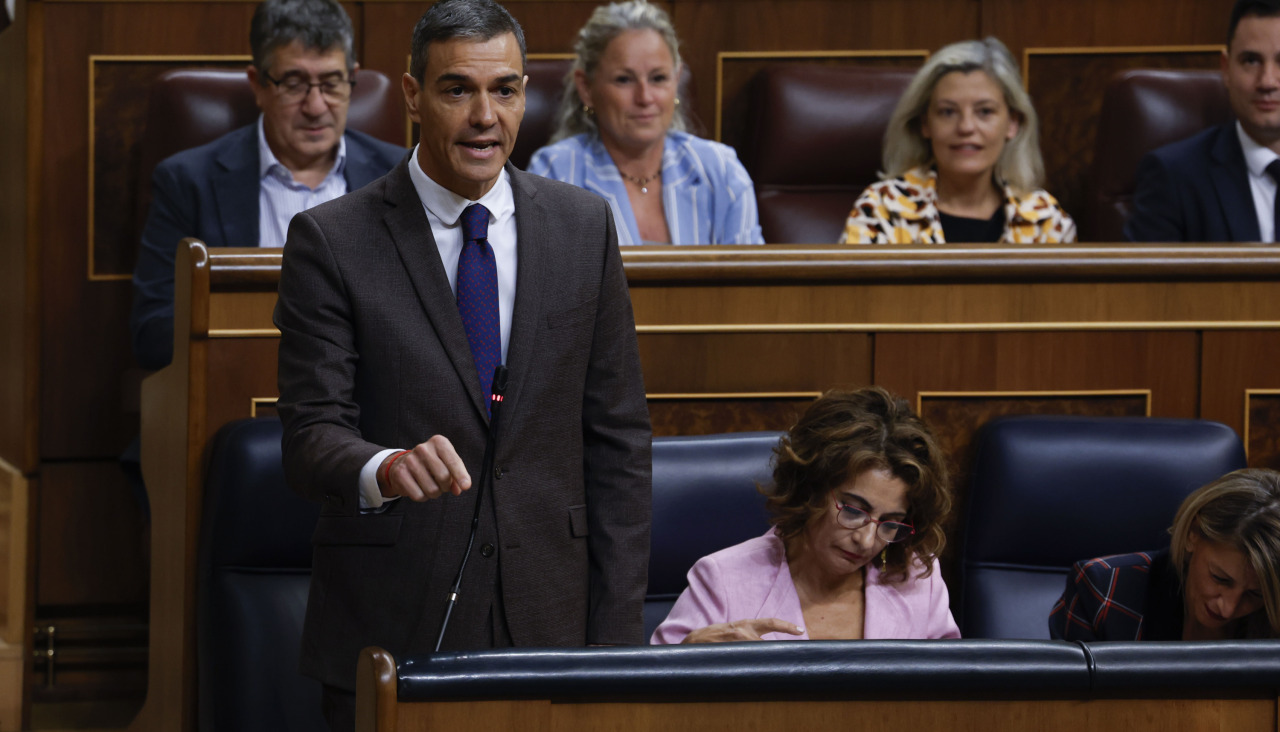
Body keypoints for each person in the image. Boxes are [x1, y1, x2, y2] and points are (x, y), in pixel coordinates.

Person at [273, 0, 652, 728]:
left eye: (504, 89)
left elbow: (619, 444)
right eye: (458, 90)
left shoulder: (583, 226)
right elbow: (311, 434)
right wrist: (382, 467)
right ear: (413, 96)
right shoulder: (332, 240)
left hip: (552, 618)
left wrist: (615, 644)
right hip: (396, 616)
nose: (485, 116)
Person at [129, 0, 405, 371]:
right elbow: (152, 332)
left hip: (365, 403)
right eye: (294, 84)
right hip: (236, 391)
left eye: (332, 83)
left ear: (352, 78)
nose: (316, 105)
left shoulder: (401, 177)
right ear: (258, 84)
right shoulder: (188, 182)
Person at [651, 387, 958, 644]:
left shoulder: (918, 579)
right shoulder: (723, 580)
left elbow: (954, 701)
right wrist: (687, 658)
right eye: (853, 510)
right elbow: (648, 701)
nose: (866, 541)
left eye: (890, 523)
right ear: (811, 491)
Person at [527, 0, 763, 245]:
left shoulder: (722, 170)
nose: (645, 97)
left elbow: (753, 281)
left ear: (677, 81)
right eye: (624, 80)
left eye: (658, 78)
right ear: (586, 88)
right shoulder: (554, 175)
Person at [840, 38, 1075, 245]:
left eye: (984, 111)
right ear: (925, 124)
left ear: (1012, 123)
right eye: (947, 112)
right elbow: (856, 296)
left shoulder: (1043, 219)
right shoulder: (883, 208)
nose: (966, 127)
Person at [1049, 468, 1280, 641]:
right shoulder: (1102, 592)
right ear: (1193, 534)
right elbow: (1067, 703)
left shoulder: (1273, 617)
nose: (1227, 608)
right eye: (1220, 578)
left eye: (1254, 594)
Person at [1126, 0, 1280, 242]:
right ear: (1226, 68)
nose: (1267, 81)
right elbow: (1146, 280)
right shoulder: (1173, 177)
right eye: (1251, 61)